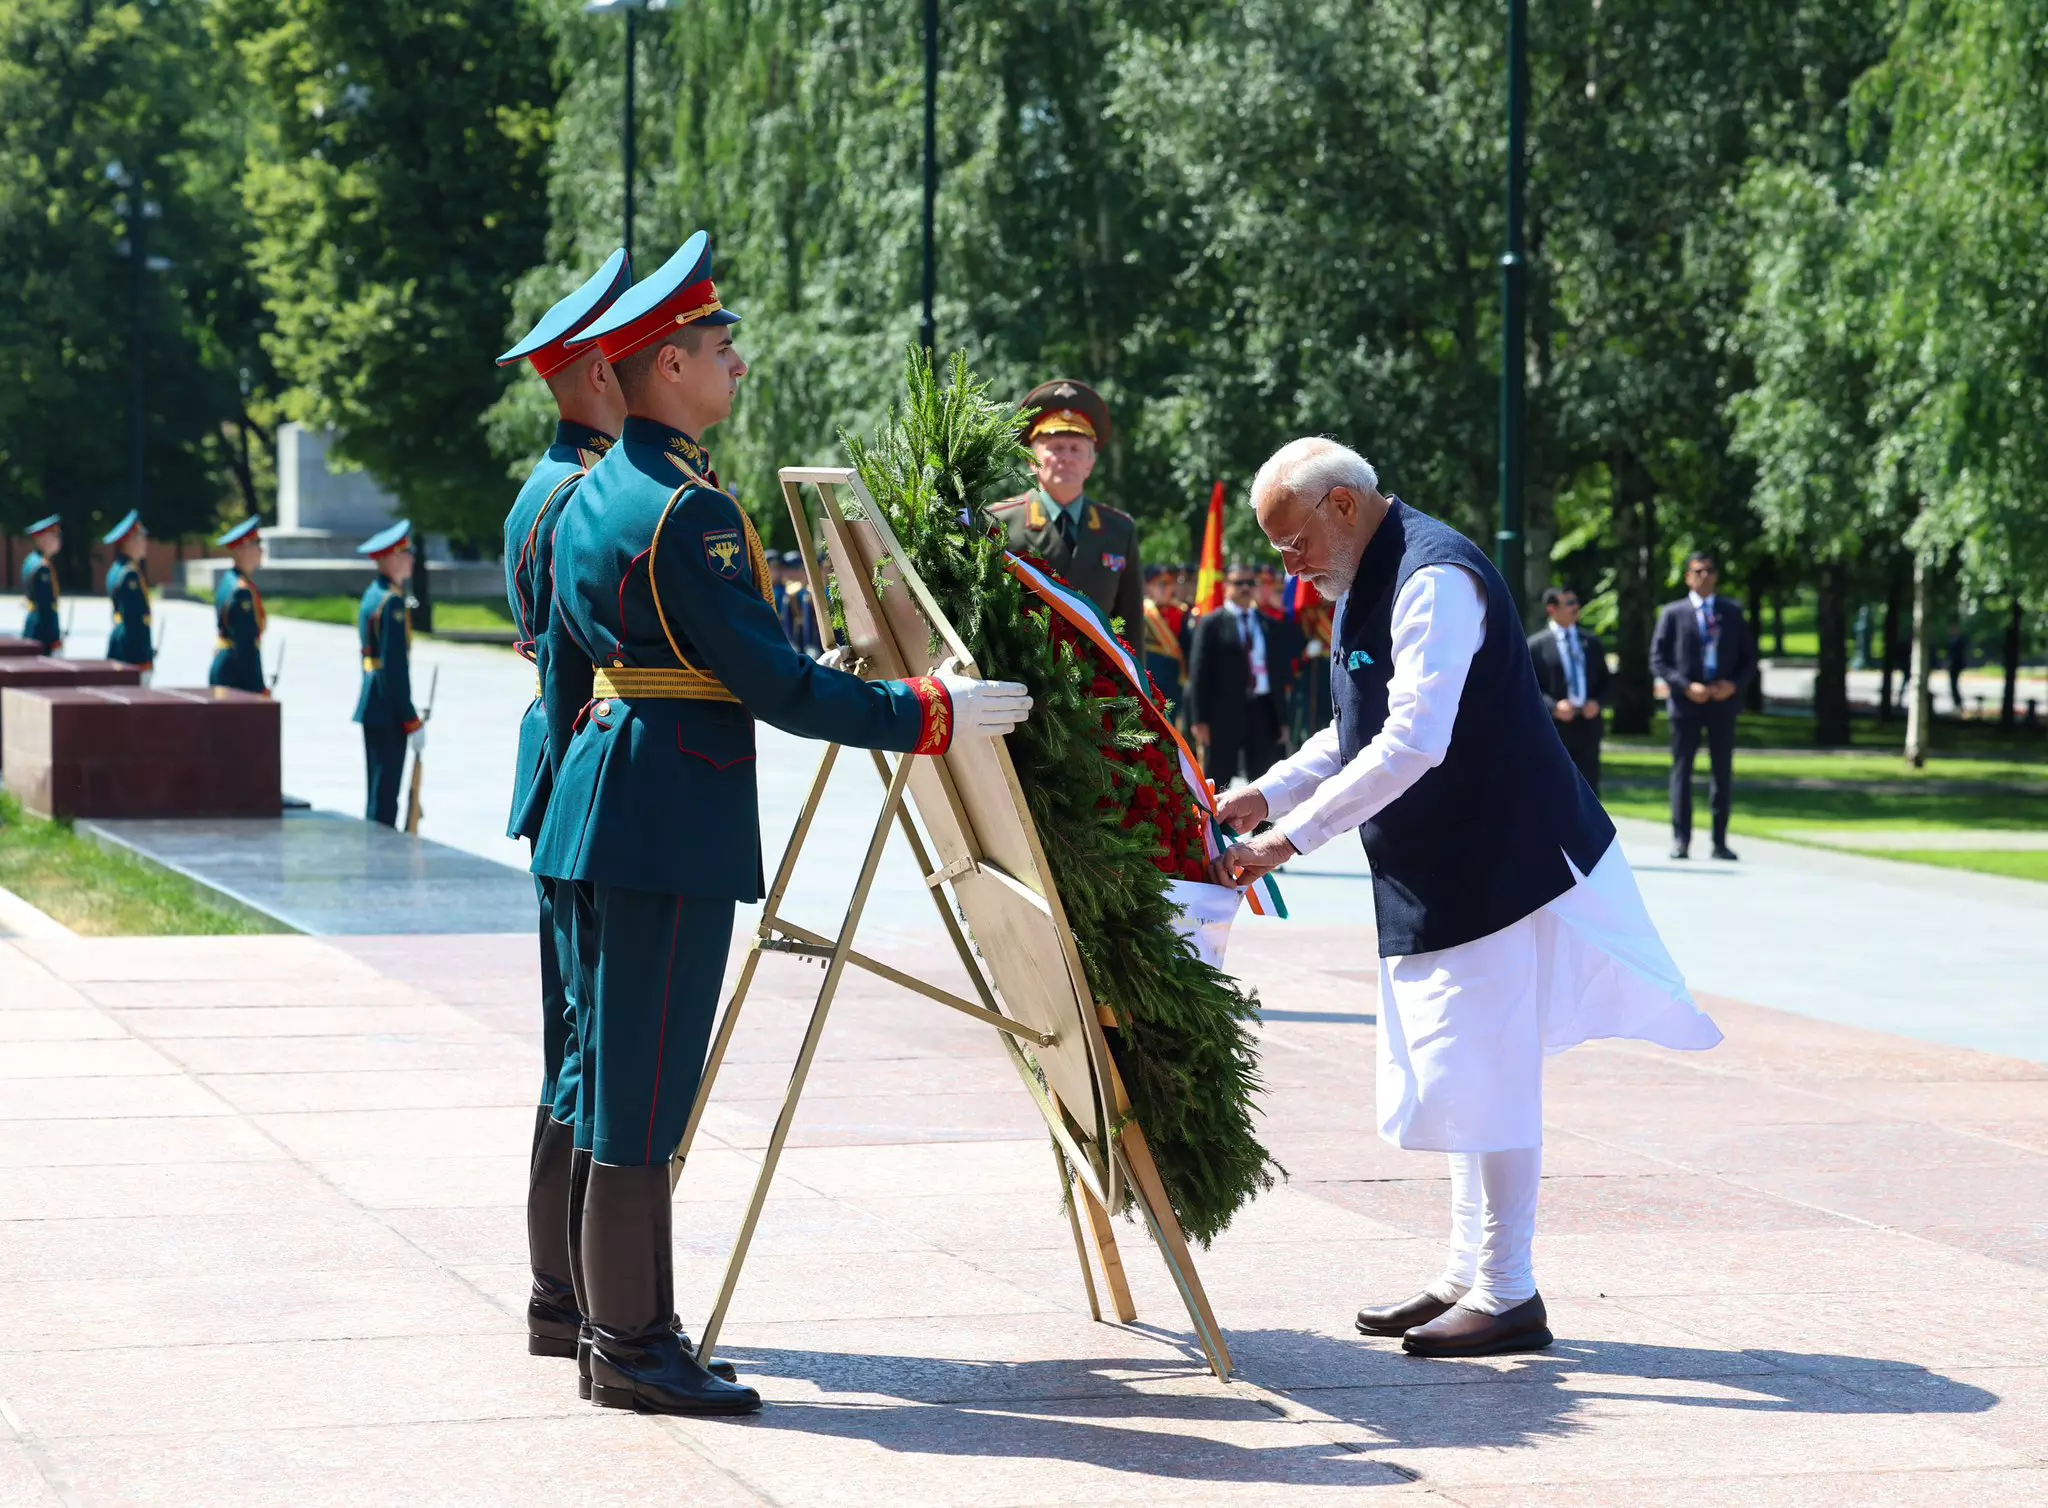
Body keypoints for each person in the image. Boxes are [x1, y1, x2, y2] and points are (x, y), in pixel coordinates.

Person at [533, 232, 1031, 1417]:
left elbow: (570, 673)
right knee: (644, 1091)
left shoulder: (592, 494)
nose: (734, 365)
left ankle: (601, 1323)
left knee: (606, 1076)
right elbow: (778, 685)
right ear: (663, 367)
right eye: (716, 348)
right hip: (664, 816)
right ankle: (636, 1348)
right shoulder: (686, 514)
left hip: (603, 805)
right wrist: (924, 709)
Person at [1214, 437, 1719, 1358]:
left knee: (1487, 1075)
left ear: (1341, 506)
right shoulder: (1368, 576)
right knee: (1459, 1076)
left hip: (1498, 862)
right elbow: (1351, 727)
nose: (1289, 567)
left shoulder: (1433, 577)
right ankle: (1464, 1274)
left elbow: (1413, 741)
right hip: (1442, 865)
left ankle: (1508, 1291)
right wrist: (1270, 790)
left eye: (1292, 544)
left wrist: (1287, 840)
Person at [494, 247, 632, 1366]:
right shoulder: (582, 490)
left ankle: (560, 1291)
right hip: (584, 780)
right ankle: (575, 1293)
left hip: (557, 780)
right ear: (594, 373)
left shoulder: (547, 483)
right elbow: (575, 661)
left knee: (572, 1041)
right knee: (588, 1045)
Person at [984, 379, 1144, 636]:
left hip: (1099, 674)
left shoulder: (1119, 530)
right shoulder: (997, 522)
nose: (1066, 457)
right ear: (1032, 461)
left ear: (1090, 463)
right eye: (1056, 448)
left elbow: (1132, 623)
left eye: (1076, 449)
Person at [1650, 552, 1755, 860]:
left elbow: (1749, 659)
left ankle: (1720, 841)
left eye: (1709, 570)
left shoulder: (1732, 612)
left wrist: (1733, 685)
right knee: (1682, 771)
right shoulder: (1673, 613)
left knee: (1722, 771)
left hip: (1722, 703)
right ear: (1688, 577)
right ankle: (1681, 840)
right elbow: (1658, 659)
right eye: (1698, 571)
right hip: (1686, 704)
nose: (1704, 576)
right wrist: (1685, 686)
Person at [1186, 565, 1285, 785]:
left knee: (1262, 780)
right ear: (1226, 587)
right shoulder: (1212, 624)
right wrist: (1199, 719)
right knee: (1218, 778)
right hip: (1223, 713)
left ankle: (1260, 822)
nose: (1245, 588)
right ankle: (1215, 820)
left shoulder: (1268, 624)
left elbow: (1278, 674)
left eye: (1250, 583)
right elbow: (1199, 673)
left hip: (1261, 710)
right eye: (1239, 583)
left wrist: (1282, 719)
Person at [352, 520, 422, 827]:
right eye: (406, 553)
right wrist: (411, 719)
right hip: (388, 707)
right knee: (385, 795)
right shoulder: (391, 601)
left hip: (374, 702)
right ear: (392, 558)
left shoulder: (374, 594)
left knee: (378, 791)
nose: (411, 560)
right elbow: (394, 669)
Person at [1527, 586, 1610, 794]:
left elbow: (1607, 683)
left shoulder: (1590, 643)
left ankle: (1591, 828)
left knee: (1590, 792)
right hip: (1555, 729)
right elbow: (1529, 688)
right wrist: (1554, 707)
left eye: (1576, 602)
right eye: (1569, 603)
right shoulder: (1536, 646)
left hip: (1588, 727)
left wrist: (1597, 703)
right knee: (1556, 790)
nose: (1576, 608)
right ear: (1552, 609)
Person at [208, 518, 267, 693]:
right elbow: (245, 646)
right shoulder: (241, 592)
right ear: (241, 550)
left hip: (228, 669)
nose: (261, 550)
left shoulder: (231, 580)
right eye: (256, 543)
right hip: (236, 676)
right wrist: (258, 688)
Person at [102, 511, 154, 679]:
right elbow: (135, 620)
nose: (145, 543)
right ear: (128, 542)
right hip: (131, 648)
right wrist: (143, 657)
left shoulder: (117, 569)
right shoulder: (130, 574)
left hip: (121, 642)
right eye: (140, 538)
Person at [1140, 565, 1188, 712]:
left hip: (1173, 679)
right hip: (1149, 674)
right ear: (1148, 586)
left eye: (1168, 584)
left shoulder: (1181, 612)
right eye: (1160, 584)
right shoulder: (1142, 612)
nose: (1165, 589)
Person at [19, 513, 61, 652]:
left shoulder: (31, 560)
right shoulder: (42, 568)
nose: (58, 540)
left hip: (33, 624)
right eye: (54, 536)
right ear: (42, 539)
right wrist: (54, 637)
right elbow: (46, 606)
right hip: (42, 630)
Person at [775, 551, 823, 656]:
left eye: (793, 569)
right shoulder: (791, 591)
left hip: (816, 642)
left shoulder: (805, 591)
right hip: (796, 641)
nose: (788, 573)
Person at [1946, 625, 1968, 713]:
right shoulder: (1952, 640)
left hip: (1956, 665)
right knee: (1953, 685)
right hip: (1954, 666)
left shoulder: (1959, 641)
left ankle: (1958, 703)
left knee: (1954, 684)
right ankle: (1957, 703)